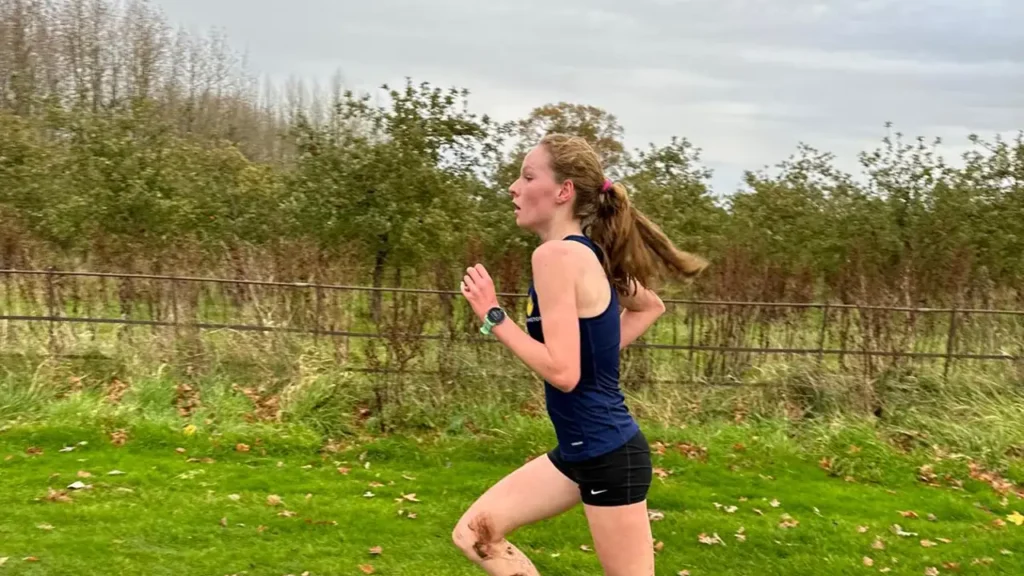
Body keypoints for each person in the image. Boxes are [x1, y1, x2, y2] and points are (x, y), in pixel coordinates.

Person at [455, 133, 708, 576]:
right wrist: (594, 358)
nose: (514, 188)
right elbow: (649, 308)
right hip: (579, 454)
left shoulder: (555, 256)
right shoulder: (589, 255)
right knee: (477, 532)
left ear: (563, 191)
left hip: (608, 455)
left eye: (528, 176)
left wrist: (495, 316)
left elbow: (565, 373)